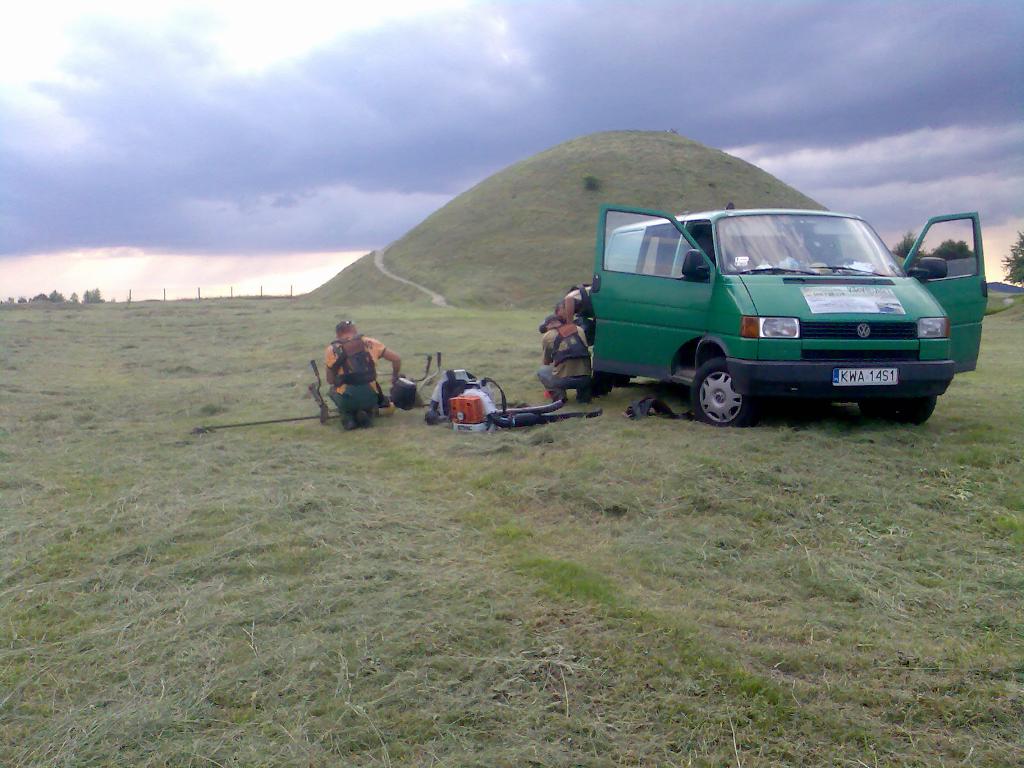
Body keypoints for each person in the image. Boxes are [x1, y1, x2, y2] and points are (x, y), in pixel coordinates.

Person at [324, 320, 401, 430]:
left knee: (333, 390)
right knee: (368, 399)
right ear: (354, 330)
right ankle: (366, 415)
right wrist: (395, 375)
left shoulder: (331, 350)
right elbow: (396, 359)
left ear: (338, 334)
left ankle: (348, 419)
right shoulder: (370, 342)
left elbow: (330, 380)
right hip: (371, 396)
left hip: (348, 398)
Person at [537, 303, 593, 403]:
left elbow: (546, 362)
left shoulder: (547, 336)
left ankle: (560, 398)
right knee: (581, 364)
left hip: (563, 381)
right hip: (585, 379)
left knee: (543, 371)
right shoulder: (579, 329)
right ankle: (583, 397)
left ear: (548, 325)